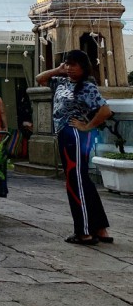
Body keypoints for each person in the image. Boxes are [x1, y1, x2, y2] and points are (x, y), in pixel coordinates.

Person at [36, 49, 113, 245]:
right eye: (68, 64)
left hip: (76, 135)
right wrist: (58, 70)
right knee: (82, 180)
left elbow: (105, 111)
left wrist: (87, 126)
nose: (69, 68)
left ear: (83, 67)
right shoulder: (62, 82)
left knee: (75, 182)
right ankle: (100, 229)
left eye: (73, 64)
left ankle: (84, 232)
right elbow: (40, 78)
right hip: (65, 134)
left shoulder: (87, 86)